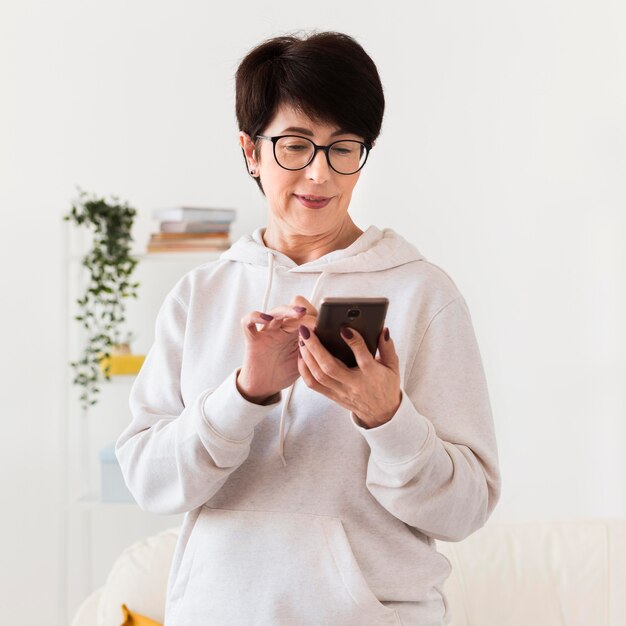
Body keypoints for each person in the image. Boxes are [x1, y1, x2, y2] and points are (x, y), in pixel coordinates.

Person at [116, 30, 501, 626]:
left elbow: (466, 509)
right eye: (295, 145)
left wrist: (388, 417)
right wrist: (245, 395)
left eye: (342, 147)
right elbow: (149, 483)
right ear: (251, 151)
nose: (320, 175)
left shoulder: (424, 294)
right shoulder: (199, 296)